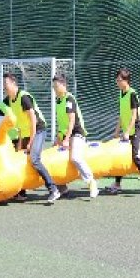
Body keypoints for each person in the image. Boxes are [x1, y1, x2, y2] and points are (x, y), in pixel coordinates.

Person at [0, 73, 60, 201]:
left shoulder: (24, 97)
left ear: (13, 84)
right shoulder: (8, 101)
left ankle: (53, 189)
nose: (4, 87)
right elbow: (20, 124)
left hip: (38, 130)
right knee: (18, 159)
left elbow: (33, 120)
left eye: (6, 84)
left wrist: (30, 142)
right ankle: (21, 192)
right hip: (25, 133)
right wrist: (20, 143)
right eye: (3, 84)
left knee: (34, 159)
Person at [107, 68, 140, 199]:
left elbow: (134, 116)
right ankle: (117, 184)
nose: (117, 82)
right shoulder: (121, 93)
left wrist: (128, 132)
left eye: (119, 80)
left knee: (136, 156)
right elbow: (122, 115)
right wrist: (117, 131)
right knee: (120, 155)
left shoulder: (132, 94)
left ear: (126, 80)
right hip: (128, 129)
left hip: (138, 128)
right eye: (117, 80)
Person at [50, 74, 98, 202]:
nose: (54, 89)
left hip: (77, 133)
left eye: (56, 86)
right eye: (53, 87)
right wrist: (58, 138)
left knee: (75, 157)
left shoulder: (69, 99)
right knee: (53, 157)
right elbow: (62, 123)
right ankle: (62, 188)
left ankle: (91, 181)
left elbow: (71, 121)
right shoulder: (58, 100)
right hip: (65, 134)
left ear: (64, 85)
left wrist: (66, 140)